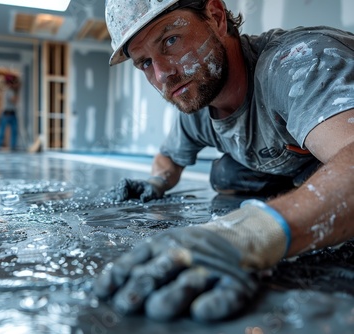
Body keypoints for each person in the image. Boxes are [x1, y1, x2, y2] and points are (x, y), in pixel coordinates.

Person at [94, 0, 354, 323]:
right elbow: (169, 158)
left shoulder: (293, 64)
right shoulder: (199, 101)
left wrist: (250, 234)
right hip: (297, 165)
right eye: (145, 62)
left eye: (170, 40)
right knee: (227, 175)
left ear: (216, 17)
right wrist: (156, 181)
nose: (163, 75)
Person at [0, 74, 20, 151]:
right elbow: (14, 100)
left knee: (14, 132)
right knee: (2, 132)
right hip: (7, 114)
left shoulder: (9, 90)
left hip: (11, 113)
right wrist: (17, 91)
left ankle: (12, 147)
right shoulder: (9, 91)